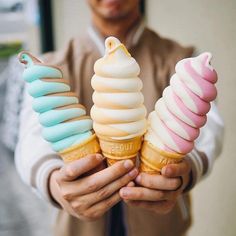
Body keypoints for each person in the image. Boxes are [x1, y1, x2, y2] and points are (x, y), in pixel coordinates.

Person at [15, 0, 224, 235]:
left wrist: (185, 172)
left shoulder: (185, 61)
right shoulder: (51, 67)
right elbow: (30, 141)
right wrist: (54, 182)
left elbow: (210, 129)